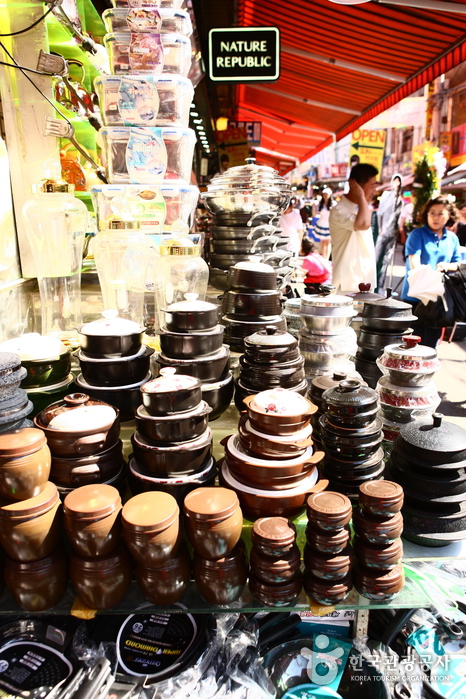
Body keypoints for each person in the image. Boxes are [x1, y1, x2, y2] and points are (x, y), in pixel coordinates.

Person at [401, 196, 461, 348]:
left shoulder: (452, 238)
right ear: (426, 214)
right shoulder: (417, 234)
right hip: (415, 297)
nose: (435, 217)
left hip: (439, 299)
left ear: (449, 215)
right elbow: (414, 262)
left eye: (440, 213)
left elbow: (457, 264)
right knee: (411, 343)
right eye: (432, 213)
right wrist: (429, 274)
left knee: (431, 346)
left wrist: (447, 266)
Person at [328, 163, 378, 293]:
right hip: (347, 285)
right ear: (356, 186)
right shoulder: (339, 210)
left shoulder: (362, 208)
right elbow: (362, 224)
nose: (375, 191)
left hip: (365, 282)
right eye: (373, 186)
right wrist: (361, 197)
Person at [375, 174, 403, 292]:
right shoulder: (386, 195)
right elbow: (380, 213)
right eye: (395, 181)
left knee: (387, 260)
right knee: (376, 258)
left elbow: (400, 217)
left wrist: (398, 230)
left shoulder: (400, 199)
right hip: (383, 232)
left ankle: (381, 285)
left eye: (398, 181)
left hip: (392, 233)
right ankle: (372, 283)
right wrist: (380, 229)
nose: (396, 183)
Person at [313, 188, 334, 259]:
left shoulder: (333, 204)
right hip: (322, 224)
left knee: (328, 242)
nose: (325, 195)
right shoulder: (320, 204)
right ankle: (324, 258)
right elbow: (314, 215)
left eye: (326, 194)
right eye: (324, 194)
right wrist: (313, 207)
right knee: (323, 242)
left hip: (329, 224)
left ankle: (327, 259)